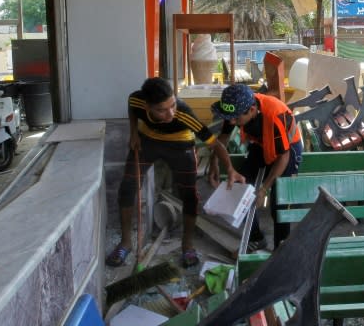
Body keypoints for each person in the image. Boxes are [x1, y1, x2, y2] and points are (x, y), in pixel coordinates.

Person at [106, 77, 245, 269]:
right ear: (148, 106)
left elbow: (215, 143)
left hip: (180, 146)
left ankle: (187, 245)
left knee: (189, 195)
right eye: (162, 110)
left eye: (172, 105)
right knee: (127, 187)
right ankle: (125, 243)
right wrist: (134, 133)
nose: (170, 113)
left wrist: (229, 168)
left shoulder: (184, 114)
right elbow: (132, 107)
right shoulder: (136, 100)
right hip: (148, 142)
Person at [211, 84, 302, 251]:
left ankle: (281, 247)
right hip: (261, 145)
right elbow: (222, 138)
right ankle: (256, 238)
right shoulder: (236, 110)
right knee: (241, 186)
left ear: (252, 110)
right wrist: (214, 163)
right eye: (230, 118)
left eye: (236, 119)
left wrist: (264, 189)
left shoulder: (274, 115)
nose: (231, 122)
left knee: (280, 202)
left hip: (288, 150)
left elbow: (283, 157)